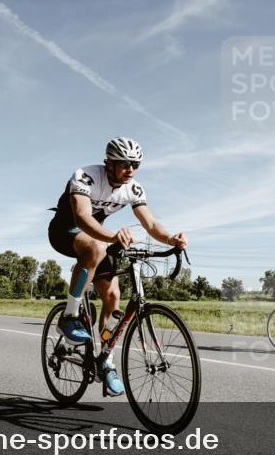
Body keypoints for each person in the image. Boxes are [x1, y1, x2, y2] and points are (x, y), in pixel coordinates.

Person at [48, 137, 187, 396]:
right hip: (64, 231)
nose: (130, 169)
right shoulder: (86, 176)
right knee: (96, 248)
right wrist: (112, 237)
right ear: (109, 163)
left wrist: (171, 239)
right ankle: (69, 316)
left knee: (113, 295)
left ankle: (106, 360)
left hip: (97, 236)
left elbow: (150, 223)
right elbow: (82, 217)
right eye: (124, 163)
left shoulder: (133, 189)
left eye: (135, 164)